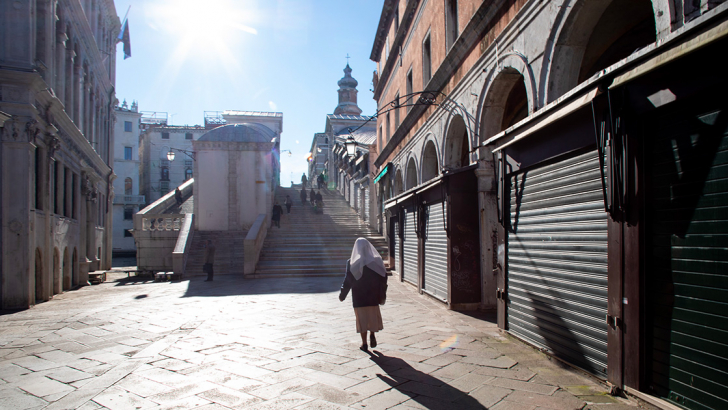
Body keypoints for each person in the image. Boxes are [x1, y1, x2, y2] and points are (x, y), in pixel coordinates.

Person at [339, 238, 388, 351]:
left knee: (361, 320)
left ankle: (364, 343)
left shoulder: (351, 262)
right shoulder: (376, 261)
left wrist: (342, 295)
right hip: (373, 296)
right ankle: (372, 334)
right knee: (372, 317)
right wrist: (382, 292)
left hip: (358, 297)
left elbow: (348, 280)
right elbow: (384, 277)